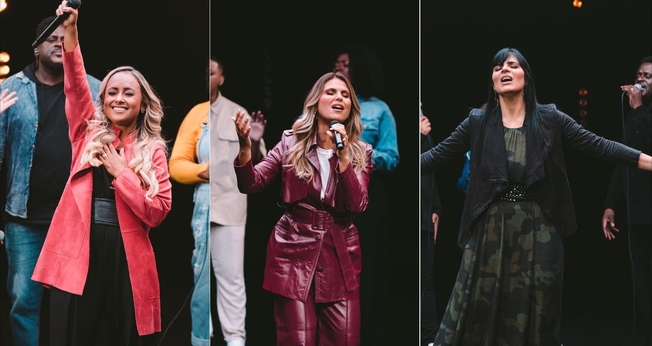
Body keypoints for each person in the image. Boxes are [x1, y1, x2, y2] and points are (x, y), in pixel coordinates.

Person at [421, 47, 652, 346]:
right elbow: (435, 157)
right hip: (490, 230)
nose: (503, 70)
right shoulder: (478, 122)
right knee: (479, 305)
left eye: (512, 65)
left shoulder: (549, 118)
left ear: (526, 78)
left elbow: (600, 146)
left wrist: (649, 161)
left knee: (538, 309)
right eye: (497, 67)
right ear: (492, 82)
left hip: (540, 227)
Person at [30, 2, 172, 345]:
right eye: (112, 92)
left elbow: (158, 213)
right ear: (103, 99)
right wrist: (72, 30)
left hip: (128, 256)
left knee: (126, 336)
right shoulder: (86, 133)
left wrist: (123, 173)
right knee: (74, 335)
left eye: (128, 93)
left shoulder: (153, 149)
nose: (119, 98)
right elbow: (76, 84)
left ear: (142, 103)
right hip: (81, 251)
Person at [232, 71, 372, 346]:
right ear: (316, 101)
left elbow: (358, 204)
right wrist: (245, 148)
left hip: (340, 254)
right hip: (292, 251)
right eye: (331, 92)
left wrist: (343, 157)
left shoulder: (360, 151)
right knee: (298, 340)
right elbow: (252, 184)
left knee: (343, 340)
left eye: (345, 95)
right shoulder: (290, 142)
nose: (338, 98)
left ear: (352, 108)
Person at [0, 14, 101, 346]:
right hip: (24, 219)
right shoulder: (10, 89)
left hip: (75, 219)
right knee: (23, 302)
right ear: (35, 48)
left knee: (70, 304)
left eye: (64, 37)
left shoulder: (96, 89)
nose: (59, 43)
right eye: (50, 38)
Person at [168, 56, 267, 346]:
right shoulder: (195, 114)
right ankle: (203, 338)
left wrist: (256, 142)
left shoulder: (238, 112)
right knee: (201, 281)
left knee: (232, 278)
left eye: (211, 72)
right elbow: (175, 165)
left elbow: (259, 170)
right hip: (203, 207)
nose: (206, 76)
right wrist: (202, 170)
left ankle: (236, 339)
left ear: (221, 78)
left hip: (233, 207)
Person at [333, 43, 399, 346]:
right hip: (330, 200)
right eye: (336, 63)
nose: (338, 68)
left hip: (367, 201)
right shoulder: (326, 104)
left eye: (345, 64)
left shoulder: (379, 109)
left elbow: (392, 156)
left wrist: (358, 152)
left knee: (366, 273)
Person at [601, 55, 652, 346]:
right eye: (639, 74)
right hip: (639, 213)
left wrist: (639, 110)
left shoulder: (640, 113)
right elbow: (626, 159)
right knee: (642, 285)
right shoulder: (635, 116)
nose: (641, 79)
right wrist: (611, 203)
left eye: (648, 75)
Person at [420, 104, 442, 346]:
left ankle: (430, 340)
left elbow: (430, 172)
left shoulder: (425, 129)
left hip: (425, 216)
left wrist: (436, 208)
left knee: (426, 282)